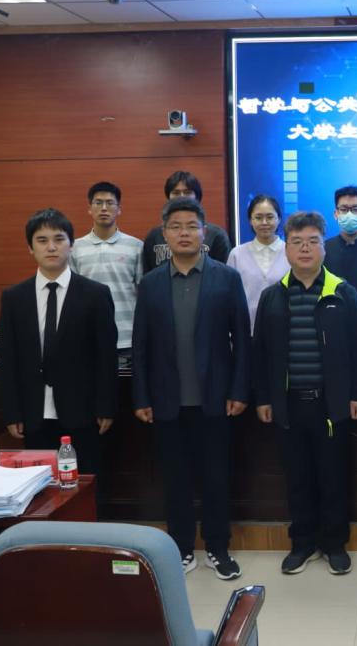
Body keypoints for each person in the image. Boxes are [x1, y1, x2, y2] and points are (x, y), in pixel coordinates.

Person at [132, 197, 250, 581]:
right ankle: (181, 549)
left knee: (216, 477)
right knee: (175, 480)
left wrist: (239, 390)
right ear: (164, 234)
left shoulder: (226, 278)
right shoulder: (151, 283)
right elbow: (140, 345)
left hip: (215, 399)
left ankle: (218, 548)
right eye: (176, 227)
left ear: (204, 232)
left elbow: (242, 340)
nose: (184, 233)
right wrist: (141, 396)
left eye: (191, 226)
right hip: (166, 401)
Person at [252, 211, 357, 576]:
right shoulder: (272, 297)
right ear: (286, 248)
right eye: (297, 242)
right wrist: (264, 398)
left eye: (313, 241)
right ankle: (302, 543)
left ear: (323, 248)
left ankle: (335, 544)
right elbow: (260, 353)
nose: (305, 248)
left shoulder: (343, 293)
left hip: (331, 404)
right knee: (297, 478)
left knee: (333, 477)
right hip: (288, 405)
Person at [0, 208, 118, 476]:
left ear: (71, 244)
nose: (51, 247)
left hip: (83, 411)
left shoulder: (95, 294)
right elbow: (8, 359)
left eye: (59, 239)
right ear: (30, 248)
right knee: (40, 486)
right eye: (42, 240)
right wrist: (12, 412)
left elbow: (106, 356)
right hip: (33, 412)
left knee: (84, 483)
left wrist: (106, 406)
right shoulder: (14, 298)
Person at [69, 181, 143, 352]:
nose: (104, 208)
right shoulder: (75, 248)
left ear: (119, 209)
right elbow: (72, 296)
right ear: (89, 208)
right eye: (98, 203)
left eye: (110, 203)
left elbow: (143, 293)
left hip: (127, 338)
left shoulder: (136, 246)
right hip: (87, 337)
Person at [142, 171, 231, 273]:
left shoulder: (217, 235)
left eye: (187, 192)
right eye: (176, 193)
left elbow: (224, 273)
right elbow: (148, 274)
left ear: (197, 197)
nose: (182, 197)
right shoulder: (154, 236)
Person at [227, 194, 289, 331]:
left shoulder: (290, 252)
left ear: (279, 219)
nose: (264, 222)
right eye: (258, 217)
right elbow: (229, 296)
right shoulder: (236, 254)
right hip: (246, 330)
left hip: (284, 329)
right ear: (250, 220)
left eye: (270, 217)